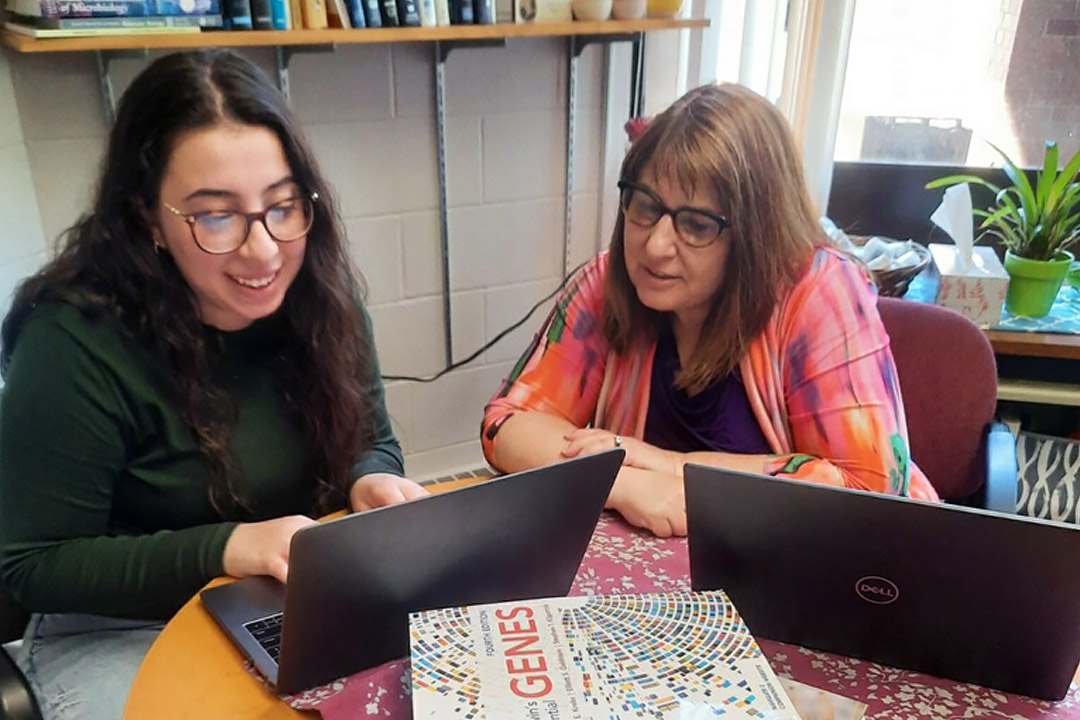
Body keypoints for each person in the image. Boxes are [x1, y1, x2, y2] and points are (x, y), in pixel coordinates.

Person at [0, 49, 427, 720]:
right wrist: (228, 547)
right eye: (215, 216)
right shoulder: (71, 341)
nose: (262, 250)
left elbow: (370, 439)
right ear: (149, 220)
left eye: (282, 207)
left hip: (288, 602)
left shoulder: (323, 300)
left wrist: (367, 480)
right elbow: (33, 564)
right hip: (121, 629)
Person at [481, 83, 939, 539]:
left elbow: (870, 490)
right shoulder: (609, 281)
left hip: (810, 570)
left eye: (697, 225)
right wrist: (622, 480)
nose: (656, 245)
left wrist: (672, 465)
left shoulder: (819, 290)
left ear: (756, 236)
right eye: (645, 206)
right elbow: (506, 426)